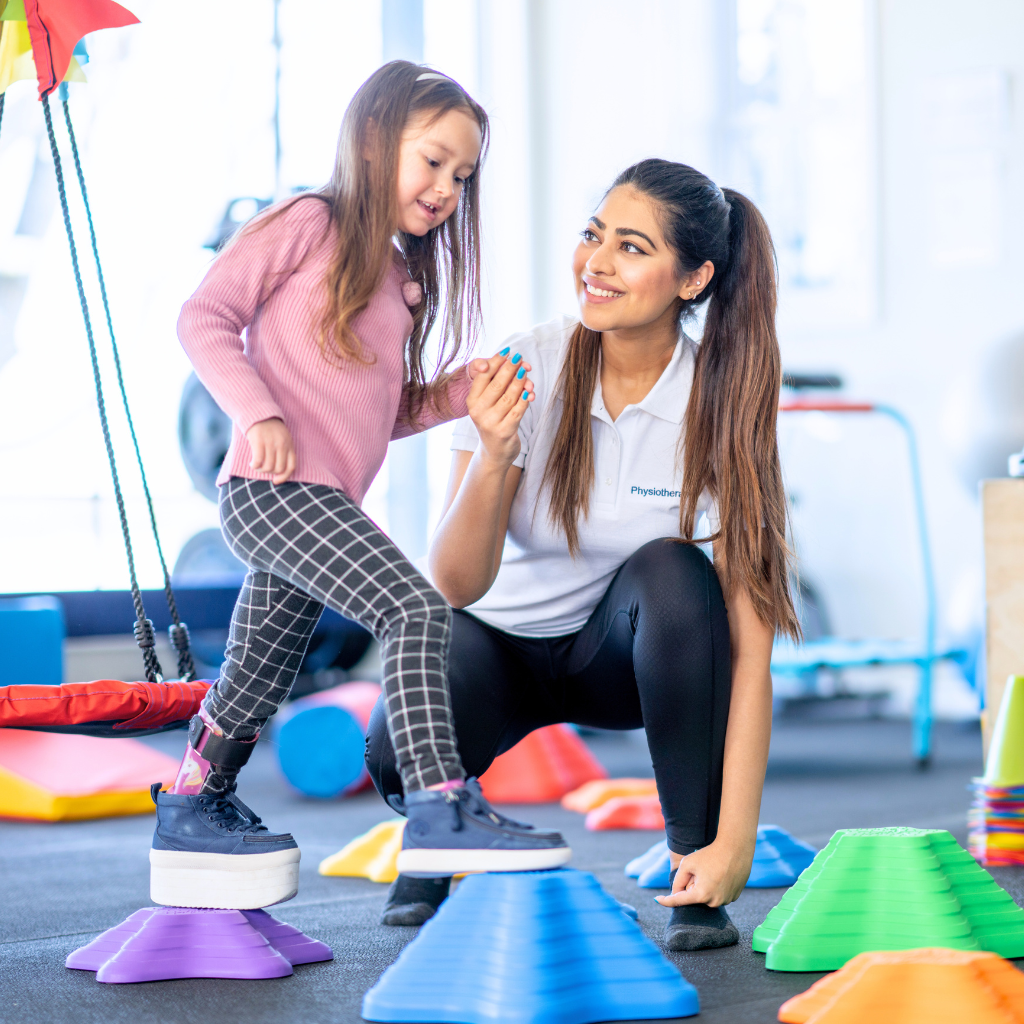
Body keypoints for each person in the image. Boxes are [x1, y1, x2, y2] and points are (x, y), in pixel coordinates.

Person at [157, 62, 569, 912]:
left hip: (322, 501)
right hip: (274, 492)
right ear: (376, 143)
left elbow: (380, 411)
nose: (446, 186)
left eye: (462, 175)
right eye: (432, 161)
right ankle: (440, 806)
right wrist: (258, 412)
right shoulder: (311, 221)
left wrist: (461, 389)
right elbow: (203, 317)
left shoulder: (399, 281)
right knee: (416, 610)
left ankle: (195, 799)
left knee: (257, 672)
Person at [367, 158, 799, 947]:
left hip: (621, 665)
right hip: (494, 647)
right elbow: (455, 585)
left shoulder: (721, 404)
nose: (596, 264)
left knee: (676, 574)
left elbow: (751, 650)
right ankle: (435, 831)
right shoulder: (526, 363)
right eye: (593, 235)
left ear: (693, 278)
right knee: (394, 742)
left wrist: (736, 841)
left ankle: (693, 868)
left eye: (631, 248)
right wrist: (495, 454)